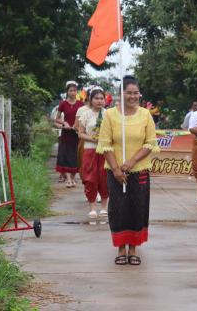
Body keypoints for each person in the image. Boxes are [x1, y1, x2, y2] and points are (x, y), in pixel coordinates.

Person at [96, 77, 159, 266]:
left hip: (138, 170)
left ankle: (133, 248)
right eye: (128, 92)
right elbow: (105, 144)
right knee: (118, 209)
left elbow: (150, 143)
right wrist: (116, 169)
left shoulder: (145, 114)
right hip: (115, 172)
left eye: (135, 93)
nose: (132, 96)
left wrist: (132, 161)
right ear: (121, 93)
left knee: (137, 209)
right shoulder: (109, 115)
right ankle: (120, 248)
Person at [78, 87, 109, 219]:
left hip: (105, 150)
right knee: (90, 179)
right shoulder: (85, 114)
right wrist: (93, 138)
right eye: (96, 98)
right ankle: (92, 207)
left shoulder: (108, 114)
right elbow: (80, 133)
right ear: (91, 100)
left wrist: (104, 139)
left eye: (101, 98)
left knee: (104, 178)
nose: (99, 101)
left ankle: (104, 207)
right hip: (90, 149)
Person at [54, 81, 83, 188]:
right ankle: (68, 179)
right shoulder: (63, 104)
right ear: (67, 92)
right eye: (70, 90)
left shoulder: (81, 104)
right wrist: (64, 123)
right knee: (65, 155)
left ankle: (73, 177)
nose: (73, 93)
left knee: (76, 155)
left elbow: (83, 118)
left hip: (76, 133)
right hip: (66, 133)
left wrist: (78, 126)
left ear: (77, 92)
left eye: (75, 90)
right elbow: (56, 119)